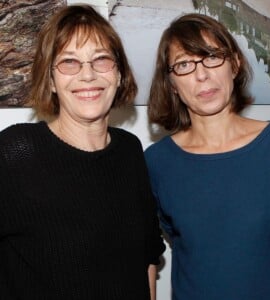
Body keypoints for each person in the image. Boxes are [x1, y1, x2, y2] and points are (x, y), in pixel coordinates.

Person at [0, 4, 165, 300]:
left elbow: (147, 257)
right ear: (50, 80)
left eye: (101, 60)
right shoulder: (15, 153)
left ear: (118, 73)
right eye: (69, 62)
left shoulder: (130, 151)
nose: (87, 75)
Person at [145, 13, 270, 300]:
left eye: (213, 56)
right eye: (184, 65)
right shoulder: (156, 162)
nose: (201, 74)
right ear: (171, 84)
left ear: (235, 64)